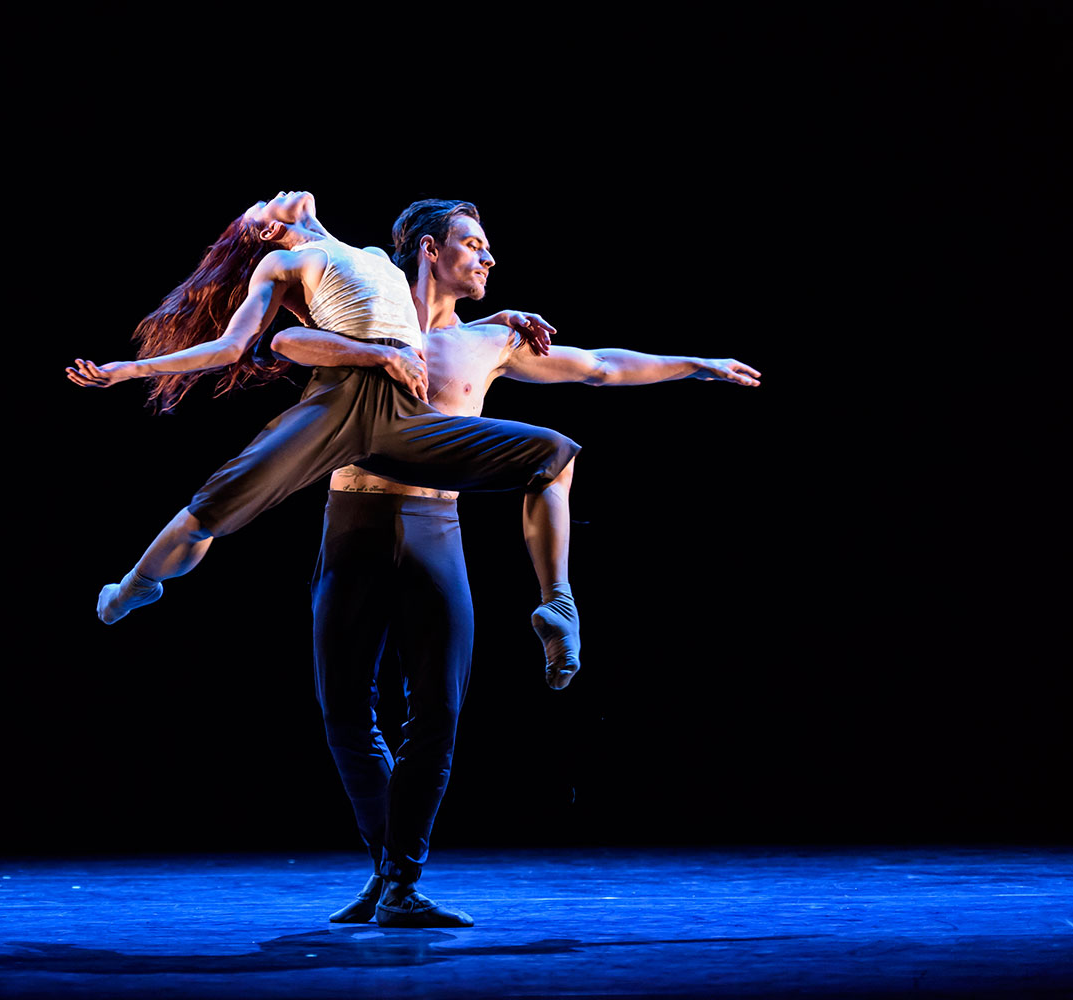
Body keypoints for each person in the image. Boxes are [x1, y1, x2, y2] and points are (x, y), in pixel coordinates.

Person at [269, 198, 761, 927]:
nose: (489, 258)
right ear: (428, 249)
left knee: (436, 713)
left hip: (437, 530)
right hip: (354, 522)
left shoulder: (487, 343)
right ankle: (390, 875)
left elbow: (598, 367)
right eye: (473, 243)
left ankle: (400, 881)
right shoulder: (358, 319)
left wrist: (695, 364)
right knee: (345, 712)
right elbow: (289, 321)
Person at [66, 192, 580, 674]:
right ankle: (136, 585)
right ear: (269, 226)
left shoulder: (375, 255)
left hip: (401, 410)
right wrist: (129, 371)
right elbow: (230, 348)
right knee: (209, 510)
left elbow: (418, 319)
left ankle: (557, 603)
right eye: (265, 202)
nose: (278, 192)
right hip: (338, 400)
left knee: (552, 451)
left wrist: (499, 317)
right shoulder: (282, 264)